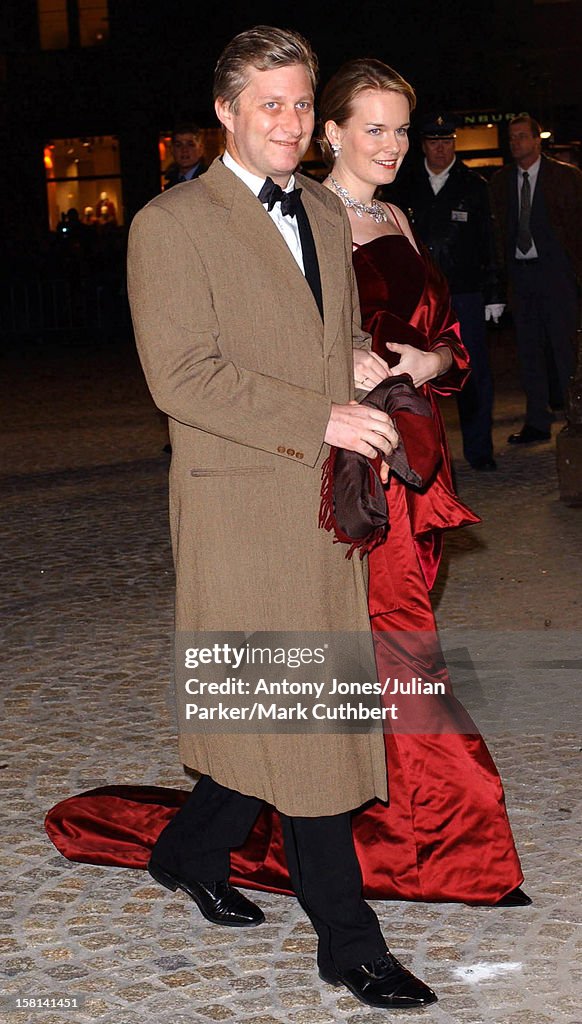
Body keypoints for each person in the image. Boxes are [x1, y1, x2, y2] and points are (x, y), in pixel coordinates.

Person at [127, 27, 436, 1011]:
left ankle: (187, 850)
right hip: (241, 506)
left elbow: (326, 328)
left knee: (280, 703)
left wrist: (365, 365)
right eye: (272, 104)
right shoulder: (170, 224)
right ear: (225, 111)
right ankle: (349, 942)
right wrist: (321, 413)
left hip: (320, 500)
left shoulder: (317, 206)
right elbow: (183, 378)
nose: (292, 124)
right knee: (307, 717)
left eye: (303, 105)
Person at [382, 113, 503, 470]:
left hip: (463, 292)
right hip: (415, 297)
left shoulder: (473, 185)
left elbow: (488, 241)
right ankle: (418, 452)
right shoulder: (403, 184)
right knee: (412, 373)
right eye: (434, 141)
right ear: (423, 145)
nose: (440, 148)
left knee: (473, 372)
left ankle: (479, 449)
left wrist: (493, 291)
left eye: (447, 141)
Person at [490, 114, 582, 444]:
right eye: (511, 138)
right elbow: (500, 230)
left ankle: (576, 418)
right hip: (521, 277)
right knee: (528, 352)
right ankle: (537, 421)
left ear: (536, 140)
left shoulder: (565, 177)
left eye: (521, 137)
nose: (515, 143)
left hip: (557, 274)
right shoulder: (501, 183)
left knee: (565, 349)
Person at [163, 122, 206, 188]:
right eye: (178, 145)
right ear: (172, 150)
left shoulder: (210, 180)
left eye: (190, 145)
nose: (184, 150)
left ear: (200, 149)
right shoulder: (170, 181)